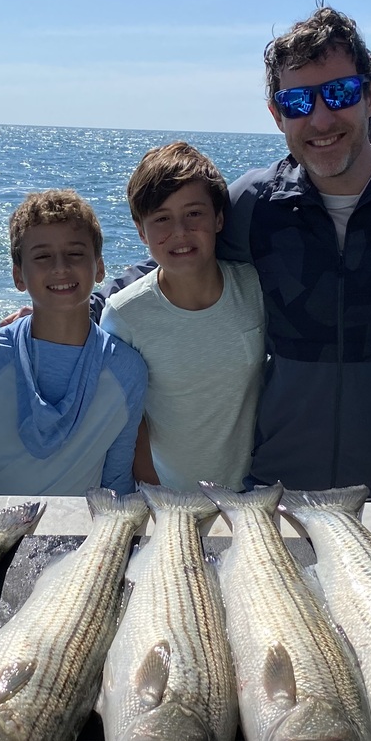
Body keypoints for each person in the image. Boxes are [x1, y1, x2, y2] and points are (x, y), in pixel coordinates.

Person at [216, 7, 371, 494]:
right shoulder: (254, 204)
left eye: (340, 93)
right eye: (298, 102)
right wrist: (81, 303)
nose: (321, 118)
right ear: (276, 114)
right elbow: (178, 265)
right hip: (278, 492)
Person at [0, 190, 146, 496]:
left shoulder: (128, 370)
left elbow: (116, 486)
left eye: (75, 253)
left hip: (82, 541)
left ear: (100, 267)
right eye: (42, 256)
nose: (60, 267)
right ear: (18, 276)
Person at [100, 142, 265, 491]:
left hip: (254, 494)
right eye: (161, 218)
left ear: (218, 218)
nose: (180, 231)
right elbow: (128, 420)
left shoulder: (255, 289)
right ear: (141, 230)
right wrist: (156, 497)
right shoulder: (124, 313)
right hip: (171, 501)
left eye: (194, 213)